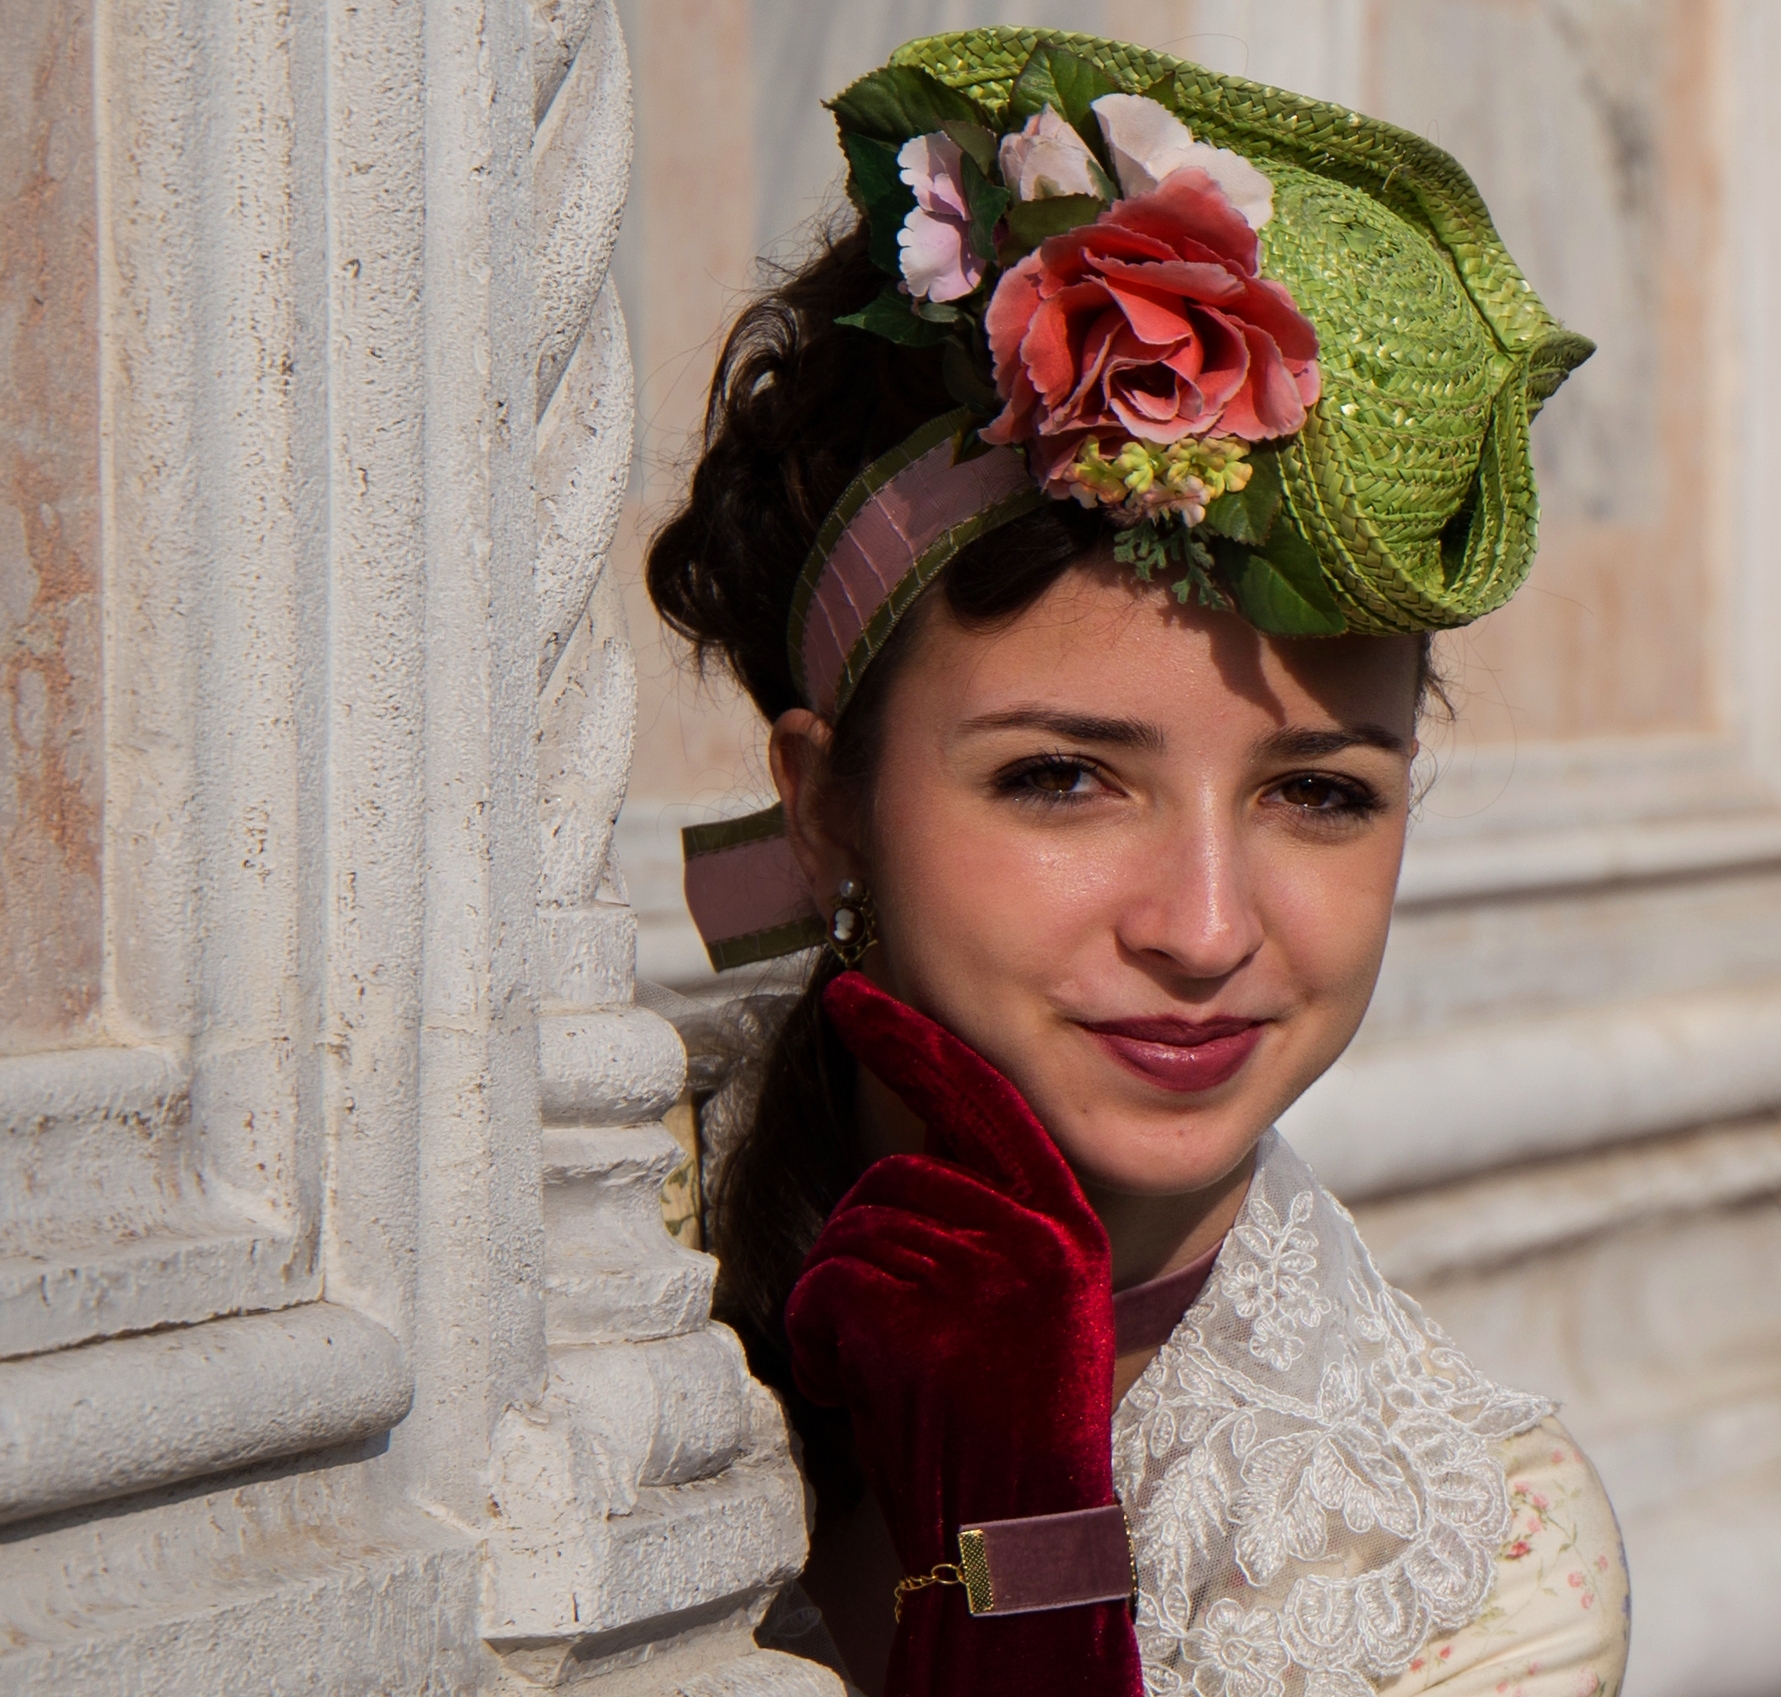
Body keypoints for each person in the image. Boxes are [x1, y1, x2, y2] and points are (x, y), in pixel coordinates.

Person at [645, 28, 1629, 1697]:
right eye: (1061, 777)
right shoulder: (568, 1272)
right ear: (821, 808)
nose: (1205, 927)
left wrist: (1026, 1567)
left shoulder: (1460, 1569)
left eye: (1318, 794)